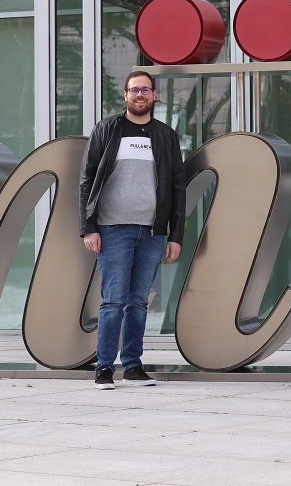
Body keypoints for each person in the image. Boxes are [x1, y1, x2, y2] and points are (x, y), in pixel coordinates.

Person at [79, 71, 185, 390]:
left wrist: (175, 235)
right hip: (112, 230)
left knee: (138, 301)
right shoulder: (107, 130)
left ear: (155, 95)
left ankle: (134, 366)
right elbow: (87, 180)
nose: (140, 95)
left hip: (152, 232)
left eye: (146, 89)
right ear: (125, 95)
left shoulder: (166, 136)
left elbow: (178, 188)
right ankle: (104, 368)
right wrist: (88, 227)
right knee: (113, 301)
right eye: (134, 90)